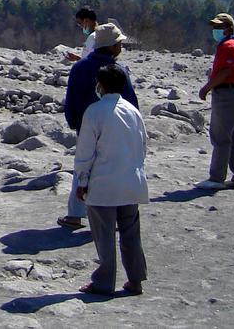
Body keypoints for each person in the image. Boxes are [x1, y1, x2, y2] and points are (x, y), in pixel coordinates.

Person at [75, 63, 149, 296]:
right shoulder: (133, 111)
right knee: (130, 233)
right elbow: (143, 145)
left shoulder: (95, 111)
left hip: (104, 182)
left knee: (104, 234)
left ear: (101, 85)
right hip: (131, 181)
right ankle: (135, 280)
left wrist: (82, 180)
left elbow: (85, 152)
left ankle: (105, 282)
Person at [58, 22, 139, 229]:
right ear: (111, 46)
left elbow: (72, 98)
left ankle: (76, 214)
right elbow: (129, 100)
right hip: (114, 127)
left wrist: (74, 121)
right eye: (119, 44)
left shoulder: (79, 67)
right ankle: (115, 214)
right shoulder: (117, 69)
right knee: (114, 166)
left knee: (83, 166)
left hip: (85, 125)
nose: (121, 47)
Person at [196, 13, 234, 190]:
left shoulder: (228, 46)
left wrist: (207, 87)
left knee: (220, 138)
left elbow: (225, 72)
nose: (215, 30)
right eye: (214, 27)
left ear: (229, 29)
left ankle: (216, 177)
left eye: (219, 27)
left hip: (225, 94)